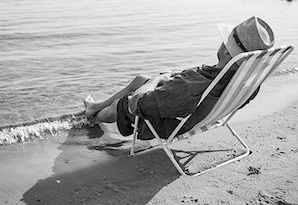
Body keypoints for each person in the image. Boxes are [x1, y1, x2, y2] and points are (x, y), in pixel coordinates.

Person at [84, 16, 275, 140]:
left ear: (226, 50)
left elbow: (136, 104)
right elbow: (190, 92)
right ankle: (94, 107)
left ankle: (94, 116)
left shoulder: (191, 86)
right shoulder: (246, 84)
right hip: (193, 111)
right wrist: (168, 80)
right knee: (139, 79)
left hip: (163, 124)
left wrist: (155, 82)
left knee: (120, 104)